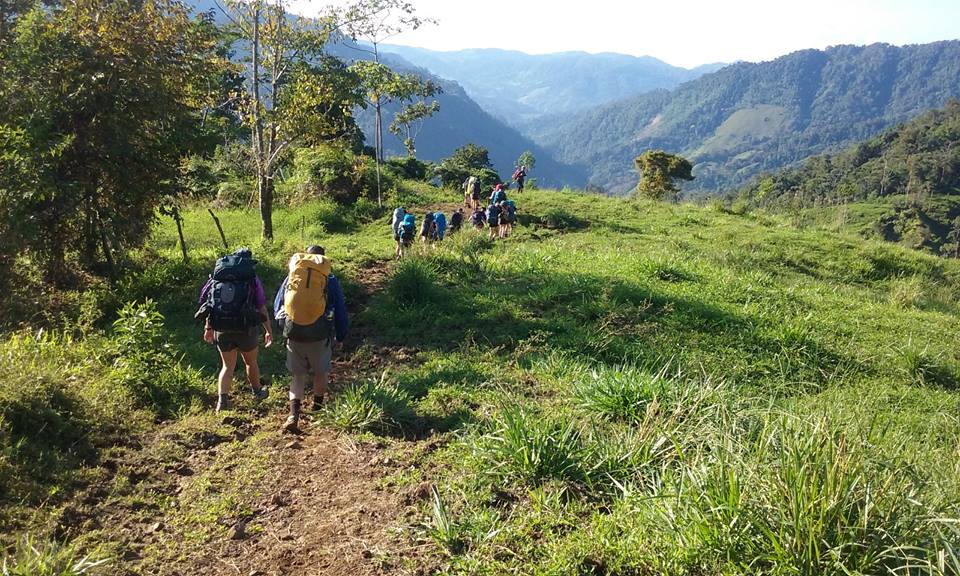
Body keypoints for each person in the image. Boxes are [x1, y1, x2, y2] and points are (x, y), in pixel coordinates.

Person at [274, 245, 348, 433]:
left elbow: (278, 304)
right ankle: (317, 410)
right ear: (324, 260)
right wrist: (341, 335)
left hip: (294, 332)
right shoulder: (329, 279)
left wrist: (285, 327)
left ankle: (293, 414)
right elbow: (340, 309)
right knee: (320, 373)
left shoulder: (293, 275)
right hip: (319, 333)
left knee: (298, 376)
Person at [198, 248, 272, 413]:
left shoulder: (217, 278)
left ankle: (222, 402)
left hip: (221, 328)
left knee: (227, 366)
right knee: (250, 362)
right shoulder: (252, 279)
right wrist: (268, 330)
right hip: (246, 328)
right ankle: (258, 392)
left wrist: (208, 327)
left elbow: (206, 302)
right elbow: (261, 307)